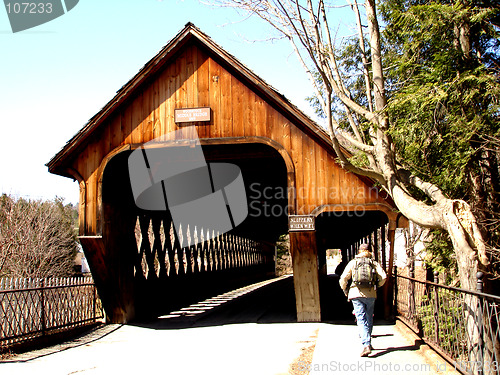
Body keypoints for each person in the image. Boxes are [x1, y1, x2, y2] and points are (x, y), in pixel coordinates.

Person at [339, 243, 387, 357]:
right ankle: (368, 341)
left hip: (356, 293)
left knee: (360, 318)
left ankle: (366, 344)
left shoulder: (353, 262)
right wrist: (376, 286)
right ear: (369, 251)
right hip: (371, 294)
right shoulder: (373, 263)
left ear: (359, 251)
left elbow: (343, 278)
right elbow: (383, 277)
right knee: (369, 317)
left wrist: (345, 289)